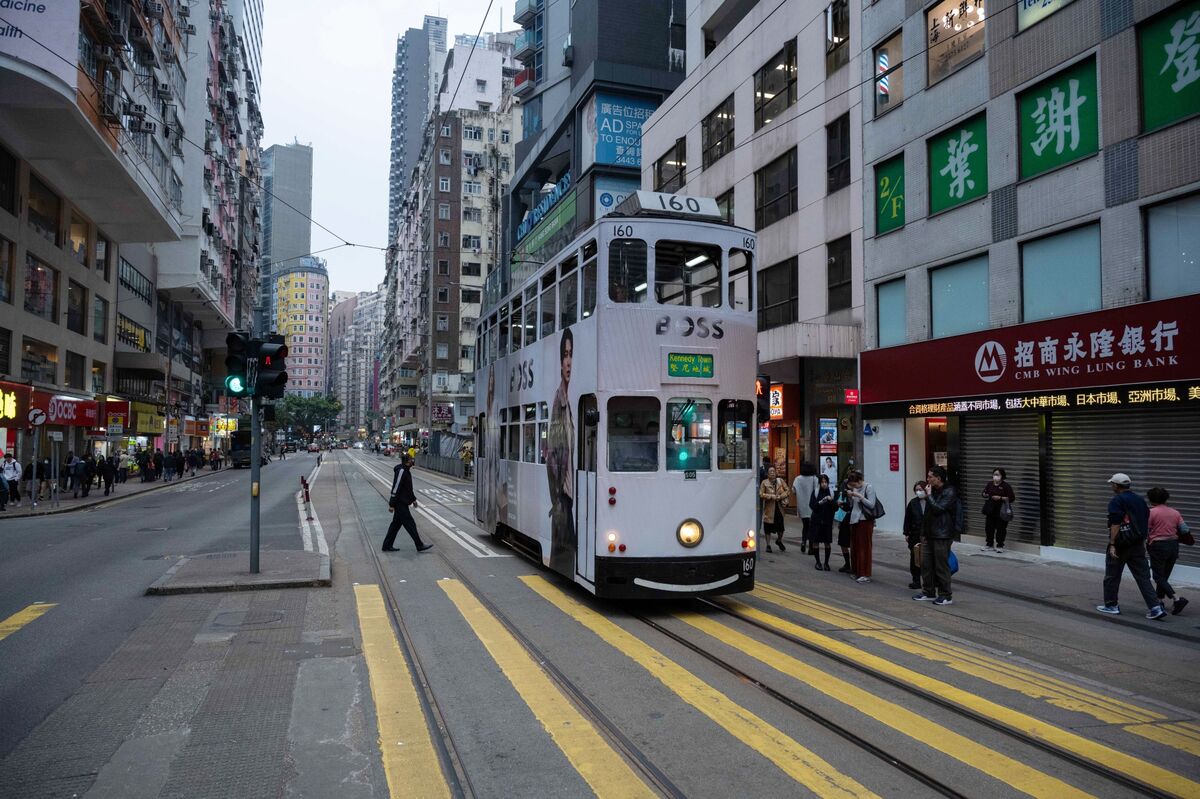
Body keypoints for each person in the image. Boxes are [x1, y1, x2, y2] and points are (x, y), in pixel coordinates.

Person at [1096, 474, 1167, 619]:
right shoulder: (1139, 500)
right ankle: (1155, 607)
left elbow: (1115, 523)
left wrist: (1112, 544)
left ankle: (1111, 605)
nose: (1112, 486)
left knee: (1112, 575)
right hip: (1137, 544)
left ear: (1116, 485)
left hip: (1121, 543)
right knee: (1143, 577)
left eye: (1112, 484)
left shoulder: (1117, 500)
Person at [546, 328, 576, 574]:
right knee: (564, 557)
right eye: (565, 355)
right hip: (563, 501)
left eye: (571, 354)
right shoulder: (560, 401)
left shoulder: (572, 399)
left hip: (568, 501)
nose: (569, 361)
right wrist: (557, 498)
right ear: (560, 362)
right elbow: (552, 456)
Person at [915, 466, 958, 606]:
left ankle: (946, 595)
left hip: (942, 534)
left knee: (941, 565)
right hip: (929, 533)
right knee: (926, 564)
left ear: (938, 478)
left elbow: (938, 509)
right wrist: (923, 533)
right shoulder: (932, 491)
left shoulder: (949, 491)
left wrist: (929, 496)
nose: (928, 479)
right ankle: (928, 591)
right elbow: (927, 514)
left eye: (930, 476)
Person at [1147, 487, 1188, 616]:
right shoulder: (1175, 512)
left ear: (1151, 499)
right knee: (1164, 576)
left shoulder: (1151, 512)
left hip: (1158, 546)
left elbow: (1145, 530)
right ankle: (1159, 601)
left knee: (1158, 576)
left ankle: (1177, 599)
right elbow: (1185, 529)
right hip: (1173, 546)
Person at [383, 454, 432, 552]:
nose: (412, 461)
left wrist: (413, 499)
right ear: (407, 461)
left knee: (395, 525)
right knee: (410, 524)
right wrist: (391, 504)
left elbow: (408, 488)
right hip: (400, 503)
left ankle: (387, 545)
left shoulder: (406, 470)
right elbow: (396, 488)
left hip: (403, 502)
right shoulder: (401, 471)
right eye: (411, 460)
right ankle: (419, 545)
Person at [844, 470, 877, 583]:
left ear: (859, 480)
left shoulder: (869, 487)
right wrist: (850, 496)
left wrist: (859, 496)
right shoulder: (855, 488)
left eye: (855, 484)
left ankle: (865, 573)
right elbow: (853, 504)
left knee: (864, 547)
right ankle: (856, 571)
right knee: (855, 546)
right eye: (852, 486)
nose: (854, 487)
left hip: (865, 520)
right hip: (854, 520)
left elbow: (871, 504)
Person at [981, 467, 1016, 552]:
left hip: (1001, 510)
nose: (995, 476)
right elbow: (984, 493)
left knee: (1001, 528)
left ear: (1002, 476)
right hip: (990, 509)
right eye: (994, 474)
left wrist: (1000, 498)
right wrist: (985, 494)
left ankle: (1000, 545)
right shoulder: (990, 484)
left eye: (997, 474)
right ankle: (989, 544)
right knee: (989, 527)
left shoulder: (1006, 486)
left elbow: (1012, 498)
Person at [903, 482, 930, 590]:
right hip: (915, 534)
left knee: (928, 558)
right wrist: (906, 533)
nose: (918, 492)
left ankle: (930, 581)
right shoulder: (913, 503)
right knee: (915, 558)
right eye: (916, 490)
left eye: (920, 489)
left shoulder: (931, 501)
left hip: (928, 534)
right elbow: (907, 519)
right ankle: (916, 580)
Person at [808, 474, 835, 570]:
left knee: (827, 542)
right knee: (816, 542)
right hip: (816, 521)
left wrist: (831, 501)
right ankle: (818, 562)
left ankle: (826, 563)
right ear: (819, 483)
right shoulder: (815, 492)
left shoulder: (831, 492)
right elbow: (812, 506)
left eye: (825, 482)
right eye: (822, 482)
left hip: (827, 521)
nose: (824, 484)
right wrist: (820, 502)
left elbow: (835, 508)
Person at [759, 465, 788, 553]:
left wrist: (780, 496)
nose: (772, 473)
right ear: (767, 474)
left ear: (776, 473)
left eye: (773, 471)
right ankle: (768, 545)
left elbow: (787, 490)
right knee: (768, 528)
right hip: (769, 509)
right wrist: (771, 497)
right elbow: (761, 494)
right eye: (770, 471)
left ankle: (779, 540)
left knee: (781, 528)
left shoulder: (780, 481)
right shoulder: (764, 482)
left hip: (779, 508)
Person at [792, 462, 818, 555]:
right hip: (812, 507)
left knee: (805, 526)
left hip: (802, 506)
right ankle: (811, 547)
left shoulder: (798, 479)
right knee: (812, 527)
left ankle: (803, 542)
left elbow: (793, 491)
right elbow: (817, 492)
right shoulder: (815, 479)